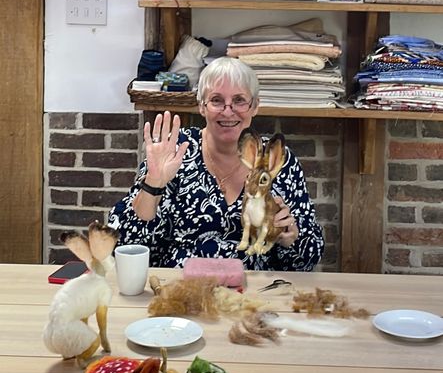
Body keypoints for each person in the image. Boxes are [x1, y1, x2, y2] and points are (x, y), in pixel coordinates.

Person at [109, 57, 324, 271]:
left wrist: (290, 240)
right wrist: (153, 183)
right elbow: (124, 246)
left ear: (255, 106)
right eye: (216, 100)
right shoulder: (176, 150)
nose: (228, 111)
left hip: (255, 295)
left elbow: (308, 258)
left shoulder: (279, 161)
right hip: (180, 291)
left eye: (239, 100)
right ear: (202, 106)